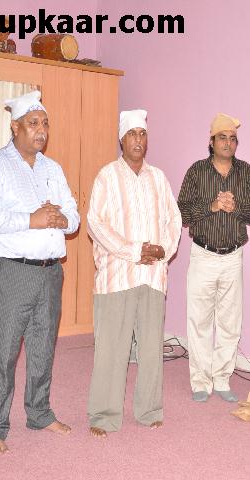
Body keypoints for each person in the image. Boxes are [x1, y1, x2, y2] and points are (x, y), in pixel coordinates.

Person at [0, 90, 80, 454]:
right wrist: (31, 219)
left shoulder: (53, 169)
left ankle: (40, 413)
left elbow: (74, 216)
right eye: (33, 123)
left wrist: (62, 219)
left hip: (50, 273)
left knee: (42, 348)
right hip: (11, 274)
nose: (41, 130)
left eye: (45, 123)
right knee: (1, 351)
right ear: (15, 127)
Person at [86, 109, 181, 437]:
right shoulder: (107, 176)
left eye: (142, 134)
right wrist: (134, 250)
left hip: (152, 276)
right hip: (118, 276)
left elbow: (174, 219)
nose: (138, 140)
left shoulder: (158, 178)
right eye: (131, 135)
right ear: (121, 140)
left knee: (152, 349)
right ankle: (104, 414)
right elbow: (95, 223)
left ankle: (149, 409)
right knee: (112, 349)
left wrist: (163, 250)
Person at [178, 113, 250, 403]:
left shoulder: (246, 172)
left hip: (233, 257)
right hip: (203, 255)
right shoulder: (196, 171)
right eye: (222, 138)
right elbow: (182, 212)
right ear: (212, 141)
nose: (228, 143)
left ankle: (222, 378)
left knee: (230, 322)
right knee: (199, 321)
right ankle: (201, 381)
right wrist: (212, 206)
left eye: (233, 139)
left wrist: (235, 208)